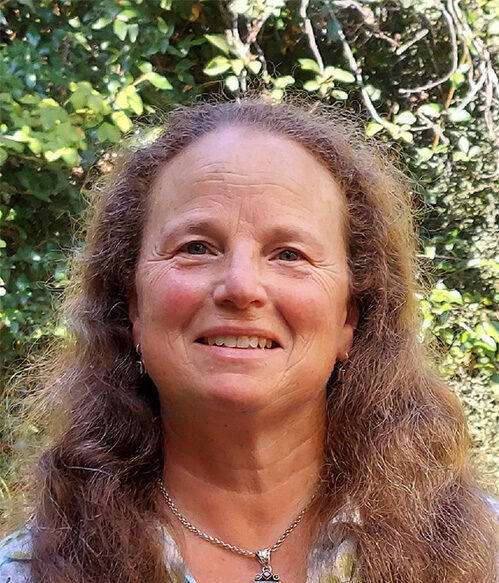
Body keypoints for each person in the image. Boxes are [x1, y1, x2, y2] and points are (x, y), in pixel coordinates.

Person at [0, 100, 496, 583]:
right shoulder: (27, 573)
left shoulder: (482, 552)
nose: (240, 287)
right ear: (133, 308)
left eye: (289, 254)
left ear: (349, 316)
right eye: (196, 248)